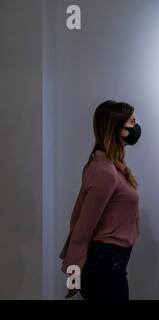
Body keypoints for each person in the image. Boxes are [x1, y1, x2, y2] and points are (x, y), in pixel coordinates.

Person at [59, 100, 142, 300]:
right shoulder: (105, 172)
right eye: (132, 122)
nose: (136, 126)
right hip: (105, 264)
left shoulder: (112, 167)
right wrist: (73, 275)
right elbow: (82, 224)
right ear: (118, 129)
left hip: (113, 262)